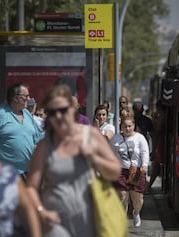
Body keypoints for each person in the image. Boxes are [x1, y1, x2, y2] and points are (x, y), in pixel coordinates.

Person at [26, 84, 121, 237]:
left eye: (62, 110)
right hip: (56, 224)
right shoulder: (44, 146)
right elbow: (31, 187)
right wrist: (41, 211)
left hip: (90, 221)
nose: (58, 116)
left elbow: (115, 171)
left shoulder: (91, 135)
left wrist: (94, 158)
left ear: (72, 109)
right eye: (52, 112)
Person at [0, 83, 43, 177]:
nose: (29, 99)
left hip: (27, 172)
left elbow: (39, 139)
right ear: (16, 98)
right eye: (26, 96)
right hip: (4, 175)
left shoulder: (27, 114)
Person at [110, 115, 150, 227]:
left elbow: (144, 152)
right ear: (121, 127)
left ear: (134, 126)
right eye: (125, 126)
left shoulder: (140, 138)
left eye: (129, 126)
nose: (127, 129)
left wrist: (144, 165)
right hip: (121, 170)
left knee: (137, 198)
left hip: (136, 170)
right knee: (122, 195)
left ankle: (136, 213)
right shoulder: (116, 139)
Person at [147, 102, 167, 193]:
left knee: (157, 165)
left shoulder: (161, 116)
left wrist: (154, 119)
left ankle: (149, 185)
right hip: (162, 140)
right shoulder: (164, 115)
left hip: (161, 141)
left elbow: (158, 129)